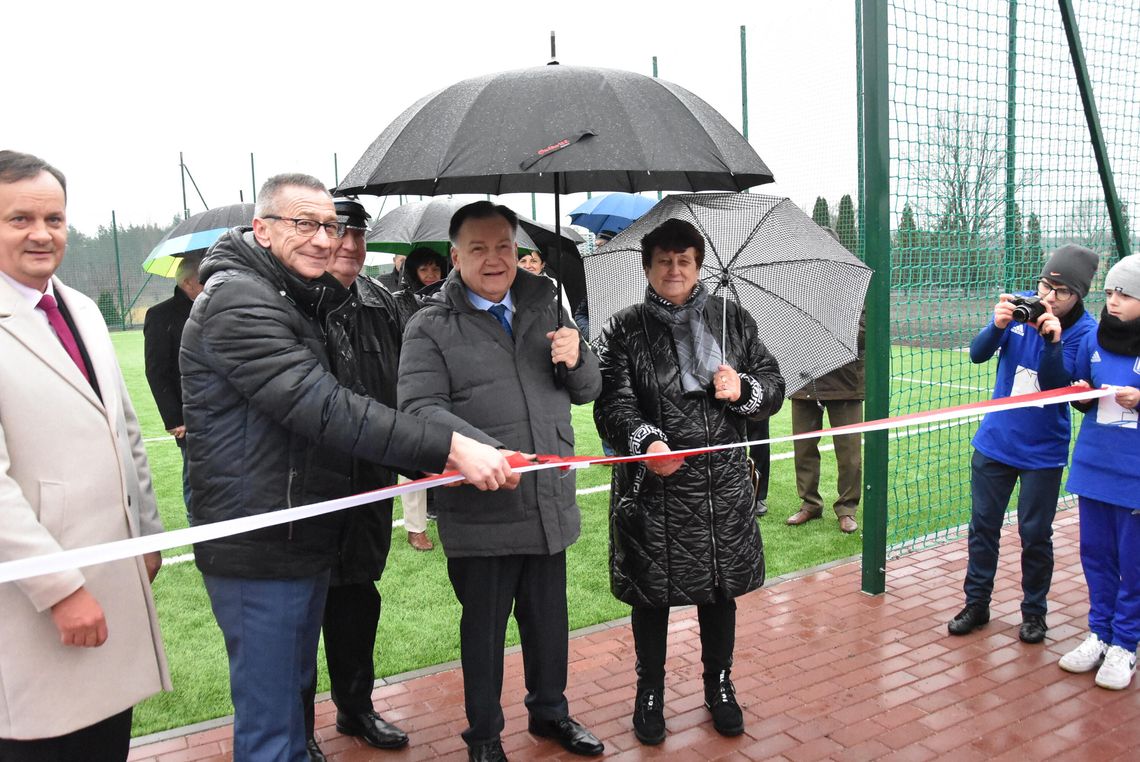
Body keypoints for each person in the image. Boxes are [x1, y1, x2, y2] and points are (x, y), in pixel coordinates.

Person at [180, 175, 514, 762]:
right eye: (303, 224)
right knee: (272, 727)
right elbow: (325, 406)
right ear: (262, 228)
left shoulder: (299, 296)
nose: (323, 239)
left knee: (285, 714)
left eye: (330, 226)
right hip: (263, 540)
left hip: (309, 527)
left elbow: (370, 399)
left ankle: (348, 712)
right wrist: (450, 447)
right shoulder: (240, 299)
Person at [399, 201, 604, 762]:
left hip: (546, 500)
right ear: (455, 256)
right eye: (480, 248)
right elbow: (419, 408)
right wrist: (488, 453)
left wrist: (577, 355)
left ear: (518, 250)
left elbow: (587, 390)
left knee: (549, 625)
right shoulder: (429, 326)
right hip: (481, 507)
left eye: (504, 247)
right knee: (484, 634)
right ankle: (484, 737)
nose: (495, 260)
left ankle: (551, 714)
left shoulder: (548, 307)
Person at [0, 150, 170, 761]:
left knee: (104, 741)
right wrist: (59, 590)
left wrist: (147, 537)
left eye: (54, 218)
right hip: (33, 603)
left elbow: (124, 430)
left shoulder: (82, 308)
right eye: (19, 219)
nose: (42, 234)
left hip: (112, 578)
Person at [593, 218, 784, 745]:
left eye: (685, 259)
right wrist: (647, 441)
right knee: (651, 594)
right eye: (664, 260)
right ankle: (649, 692)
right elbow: (612, 403)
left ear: (698, 265)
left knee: (720, 592)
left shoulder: (732, 319)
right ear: (648, 266)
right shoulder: (624, 328)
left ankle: (719, 685)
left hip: (722, 485)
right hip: (654, 488)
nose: (675, 269)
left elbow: (773, 386)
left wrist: (742, 387)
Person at [301, 198, 410, 760]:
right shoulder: (292, 300)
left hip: (369, 479)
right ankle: (298, 730)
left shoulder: (381, 303)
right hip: (309, 484)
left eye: (356, 233)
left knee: (358, 598)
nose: (347, 243)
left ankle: (356, 707)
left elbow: (399, 386)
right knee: (302, 606)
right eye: (335, 231)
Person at [947, 244, 1099, 644]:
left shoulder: (1085, 333)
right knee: (983, 527)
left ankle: (1034, 613)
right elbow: (979, 355)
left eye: (1061, 292)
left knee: (1035, 533)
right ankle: (976, 603)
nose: (1048, 297)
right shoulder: (1020, 311)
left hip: (1043, 452)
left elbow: (1056, 388)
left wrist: (1052, 341)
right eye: (1045, 285)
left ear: (1079, 295)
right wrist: (996, 326)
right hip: (996, 442)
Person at [1058, 254, 1140, 690]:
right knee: (1095, 556)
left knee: (1134, 562)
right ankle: (1100, 633)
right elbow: (1081, 397)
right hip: (1094, 467)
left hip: (1135, 476)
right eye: (1110, 292)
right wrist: (1082, 395)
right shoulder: (1093, 338)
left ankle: (1126, 643)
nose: (1114, 301)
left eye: (1125, 294)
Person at [785, 310, 866, 533]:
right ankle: (810, 504)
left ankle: (846, 509)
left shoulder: (853, 287)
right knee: (803, 449)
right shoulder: (800, 289)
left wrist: (822, 337)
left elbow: (863, 331)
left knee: (849, 452)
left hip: (846, 382)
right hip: (803, 380)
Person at [392, 245, 449, 551]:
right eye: (424, 269)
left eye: (436, 269)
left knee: (448, 451)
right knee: (412, 457)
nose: (430, 275)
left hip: (446, 391)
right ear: (412, 271)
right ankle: (416, 528)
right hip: (409, 391)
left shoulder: (450, 300)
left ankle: (443, 511)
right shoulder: (397, 302)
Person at [143, 254, 202, 516]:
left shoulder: (222, 306)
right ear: (189, 282)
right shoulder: (160, 315)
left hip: (226, 409)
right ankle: (198, 532)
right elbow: (156, 371)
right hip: (190, 416)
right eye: (206, 277)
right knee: (196, 480)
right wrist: (175, 418)